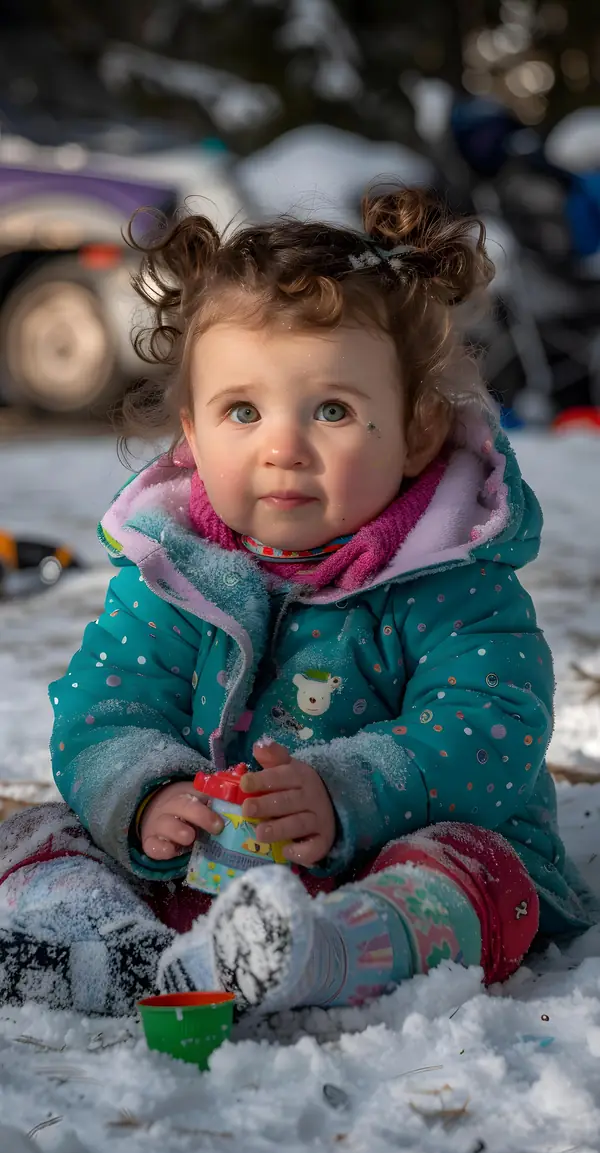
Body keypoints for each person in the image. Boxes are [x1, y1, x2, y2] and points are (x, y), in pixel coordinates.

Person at [0, 188, 595, 1018]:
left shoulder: (454, 575)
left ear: (417, 430)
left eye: (332, 410)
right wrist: (148, 797)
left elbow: (490, 723)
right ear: (194, 435)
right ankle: (108, 944)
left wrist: (348, 789)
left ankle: (330, 952)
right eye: (242, 410)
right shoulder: (174, 571)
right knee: (37, 830)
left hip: (383, 858)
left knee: (483, 871)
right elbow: (106, 709)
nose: (283, 447)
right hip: (204, 857)